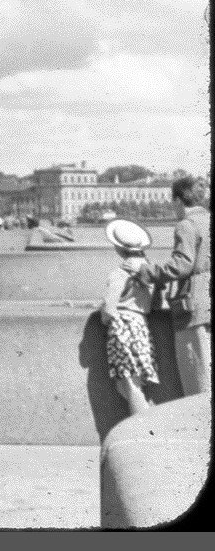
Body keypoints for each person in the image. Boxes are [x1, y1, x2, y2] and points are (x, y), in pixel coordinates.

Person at [132, 176, 211, 395]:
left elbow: (181, 266)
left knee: (198, 380)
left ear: (178, 200)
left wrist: (150, 272)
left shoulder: (186, 225)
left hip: (193, 308)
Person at [100, 219, 158, 415]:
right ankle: (146, 420)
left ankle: (142, 428)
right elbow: (156, 303)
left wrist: (106, 319)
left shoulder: (120, 273)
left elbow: (109, 309)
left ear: (119, 249)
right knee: (131, 384)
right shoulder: (150, 272)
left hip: (122, 327)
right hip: (141, 325)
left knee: (129, 385)